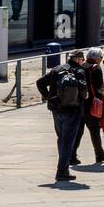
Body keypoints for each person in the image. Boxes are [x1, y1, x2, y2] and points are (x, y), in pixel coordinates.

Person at [37, 50, 89, 182]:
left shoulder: (57, 69)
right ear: (78, 60)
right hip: (73, 110)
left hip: (57, 109)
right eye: (82, 60)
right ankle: (61, 171)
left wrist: (48, 97)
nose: (82, 62)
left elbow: (40, 82)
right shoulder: (79, 71)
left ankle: (64, 168)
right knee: (68, 142)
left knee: (61, 139)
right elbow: (83, 93)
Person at [73, 48, 104, 165]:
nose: (101, 60)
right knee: (94, 130)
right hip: (92, 105)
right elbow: (99, 88)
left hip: (80, 103)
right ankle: (99, 153)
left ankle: (72, 155)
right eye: (101, 58)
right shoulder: (96, 68)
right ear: (96, 58)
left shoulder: (82, 66)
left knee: (78, 131)